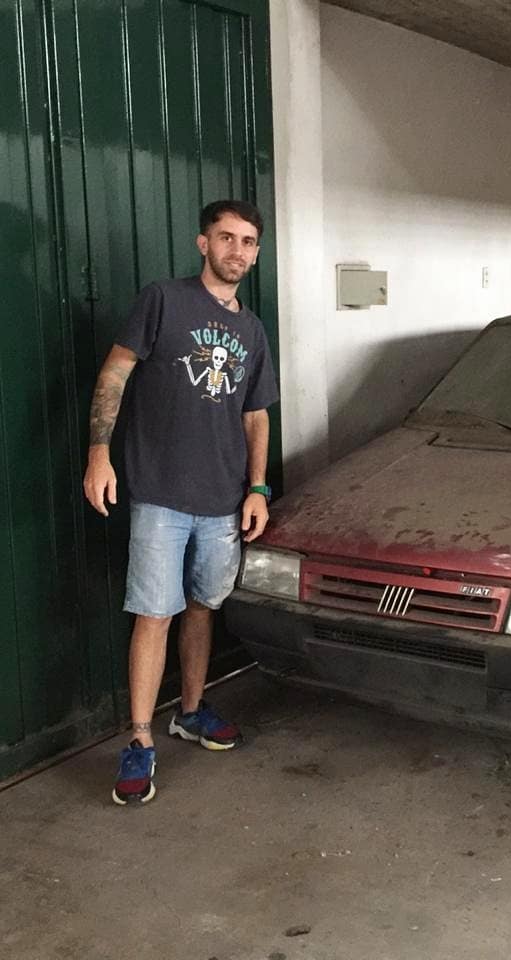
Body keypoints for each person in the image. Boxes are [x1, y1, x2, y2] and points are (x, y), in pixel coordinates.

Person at [83, 199, 279, 805]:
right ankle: (140, 741)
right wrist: (98, 453)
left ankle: (190, 712)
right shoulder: (163, 300)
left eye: (248, 242)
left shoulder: (251, 328)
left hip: (223, 500)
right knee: (154, 613)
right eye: (227, 238)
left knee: (202, 607)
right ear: (203, 243)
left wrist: (257, 488)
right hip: (161, 495)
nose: (237, 252)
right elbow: (115, 373)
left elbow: (256, 414)